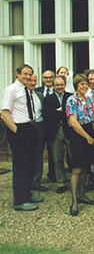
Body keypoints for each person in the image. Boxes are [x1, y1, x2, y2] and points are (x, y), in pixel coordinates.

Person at [1, 64, 43, 211]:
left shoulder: (27, 90)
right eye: (25, 74)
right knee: (20, 166)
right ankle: (19, 200)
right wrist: (17, 131)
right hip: (19, 129)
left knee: (30, 163)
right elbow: (4, 113)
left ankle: (27, 194)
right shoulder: (11, 90)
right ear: (17, 74)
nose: (28, 77)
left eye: (30, 74)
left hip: (30, 127)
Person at [66, 73, 94, 216]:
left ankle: (82, 194)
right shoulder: (71, 100)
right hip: (78, 135)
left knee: (86, 167)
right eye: (82, 84)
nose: (85, 86)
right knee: (77, 169)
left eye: (86, 84)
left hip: (89, 133)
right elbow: (73, 123)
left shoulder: (89, 99)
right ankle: (74, 201)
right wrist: (86, 137)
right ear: (76, 86)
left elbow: (91, 119)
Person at [43, 75, 72, 194]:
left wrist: (58, 112)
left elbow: (71, 113)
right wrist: (63, 112)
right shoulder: (48, 99)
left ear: (65, 85)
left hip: (69, 130)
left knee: (74, 156)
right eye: (57, 85)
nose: (59, 87)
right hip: (55, 131)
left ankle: (80, 181)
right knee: (57, 158)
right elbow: (47, 114)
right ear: (53, 85)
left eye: (61, 84)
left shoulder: (70, 97)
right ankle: (62, 183)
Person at [27, 75, 48, 193]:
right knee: (26, 156)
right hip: (26, 127)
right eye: (30, 80)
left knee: (38, 155)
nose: (32, 83)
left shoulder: (39, 95)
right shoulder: (21, 96)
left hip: (39, 127)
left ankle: (36, 182)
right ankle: (25, 183)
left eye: (35, 80)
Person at [36, 70, 56, 183]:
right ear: (42, 79)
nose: (48, 79)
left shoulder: (58, 90)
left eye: (50, 77)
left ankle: (53, 174)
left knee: (53, 152)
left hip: (52, 126)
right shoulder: (36, 91)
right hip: (40, 125)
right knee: (38, 152)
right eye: (46, 77)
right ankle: (37, 178)